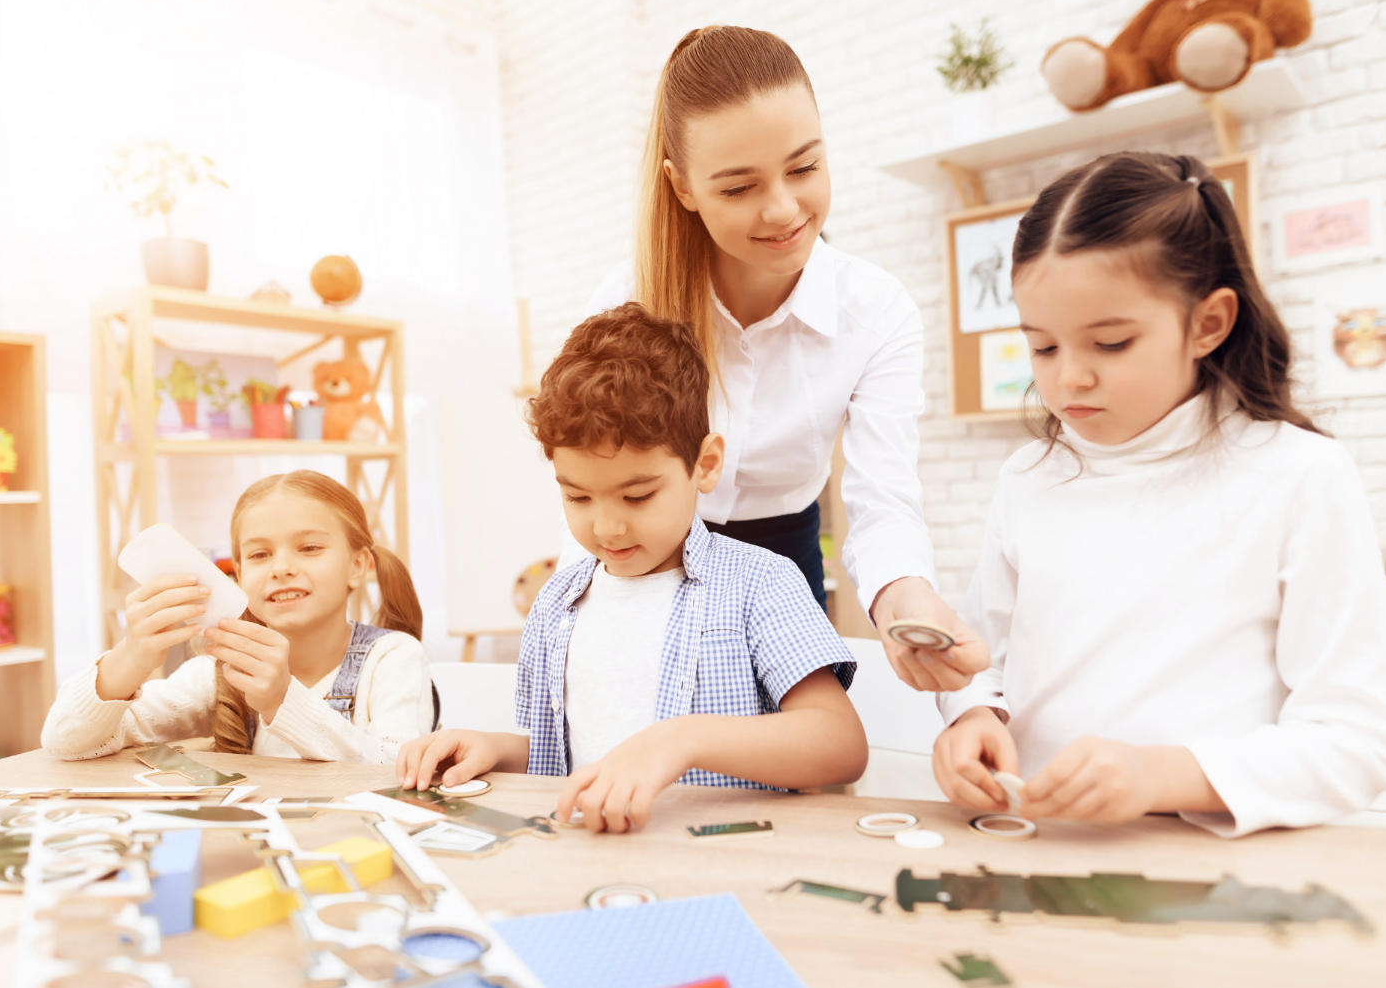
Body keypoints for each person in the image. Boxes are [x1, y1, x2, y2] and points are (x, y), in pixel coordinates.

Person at [932, 151, 1386, 837]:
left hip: (1207, 869)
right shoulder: (1029, 478)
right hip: (1033, 847)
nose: (1069, 382)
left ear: (1208, 323)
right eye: (1042, 347)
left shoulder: (1299, 475)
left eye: (1112, 343)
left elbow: (1357, 743)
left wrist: (1160, 773)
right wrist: (973, 715)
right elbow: (982, 660)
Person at [578, 24, 987, 692]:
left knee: (801, 770)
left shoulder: (875, 311)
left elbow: (883, 503)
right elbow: (592, 478)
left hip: (788, 559)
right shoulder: (628, 301)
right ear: (682, 188)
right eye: (738, 188)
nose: (783, 208)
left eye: (804, 167)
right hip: (649, 562)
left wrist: (906, 603)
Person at [395, 304, 868, 833]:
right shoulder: (556, 603)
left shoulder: (760, 584)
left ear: (705, 465)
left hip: (722, 868)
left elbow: (840, 745)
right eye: (577, 496)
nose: (608, 528)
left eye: (637, 496)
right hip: (591, 859)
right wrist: (495, 749)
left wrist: (681, 740)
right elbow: (573, 755)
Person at [42, 470, 436, 763]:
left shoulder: (393, 658)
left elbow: (393, 770)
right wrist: (129, 659)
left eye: (310, 547)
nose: (281, 568)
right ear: (241, 576)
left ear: (358, 565)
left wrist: (281, 699)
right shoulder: (218, 673)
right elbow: (65, 742)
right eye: (260, 555)